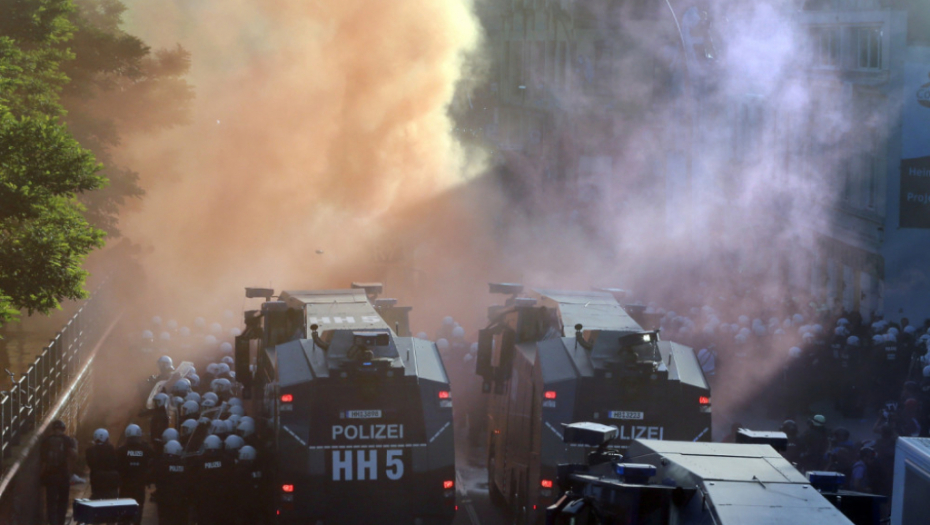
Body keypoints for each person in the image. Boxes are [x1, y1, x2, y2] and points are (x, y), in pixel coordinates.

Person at [39, 419, 77, 525]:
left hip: (50, 476)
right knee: (63, 501)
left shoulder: (46, 441)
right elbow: (73, 456)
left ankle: (52, 522)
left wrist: (41, 475)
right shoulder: (67, 440)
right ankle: (61, 522)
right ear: (63, 429)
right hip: (63, 475)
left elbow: (44, 461)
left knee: (51, 501)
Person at [117, 424, 155, 525]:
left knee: (124, 511)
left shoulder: (121, 450)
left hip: (125, 486)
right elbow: (154, 461)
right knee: (138, 509)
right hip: (139, 486)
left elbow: (114, 465)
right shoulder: (146, 450)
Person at [191, 435, 233, 525]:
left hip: (204, 503)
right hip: (223, 502)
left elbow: (194, 481)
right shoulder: (226, 460)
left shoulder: (199, 461)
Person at [153, 440, 191, 525]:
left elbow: (153, 478)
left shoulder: (161, 466)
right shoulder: (185, 467)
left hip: (164, 502)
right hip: (181, 503)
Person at [85, 428, 120, 499]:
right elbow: (116, 463)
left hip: (96, 482)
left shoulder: (89, 451)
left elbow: (90, 464)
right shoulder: (111, 449)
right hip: (111, 483)